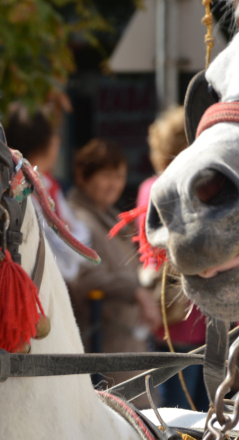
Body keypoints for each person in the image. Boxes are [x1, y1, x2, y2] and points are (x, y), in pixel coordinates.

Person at [67, 139, 160, 404]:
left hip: (128, 346)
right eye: (106, 176)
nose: (114, 184)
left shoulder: (108, 216)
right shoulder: (74, 219)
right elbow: (83, 276)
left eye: (119, 177)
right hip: (101, 350)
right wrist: (135, 291)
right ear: (83, 176)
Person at [139, 107, 209, 410]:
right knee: (204, 410)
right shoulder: (196, 188)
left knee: (177, 410)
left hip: (170, 313)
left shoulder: (149, 188)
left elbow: (149, 252)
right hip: (200, 311)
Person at [5, 102, 91, 283]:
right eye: (56, 135)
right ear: (46, 141)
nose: (58, 141)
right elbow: (71, 246)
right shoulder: (25, 186)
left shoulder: (46, 182)